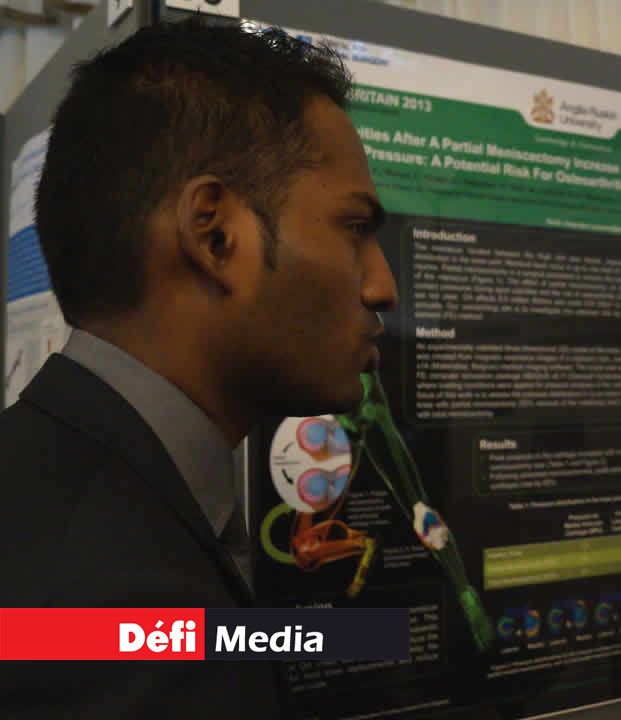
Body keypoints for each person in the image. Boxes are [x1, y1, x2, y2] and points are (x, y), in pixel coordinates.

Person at [0, 19, 397, 719]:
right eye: (355, 228)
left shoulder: (39, 477)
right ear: (215, 235)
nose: (382, 286)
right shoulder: (130, 616)